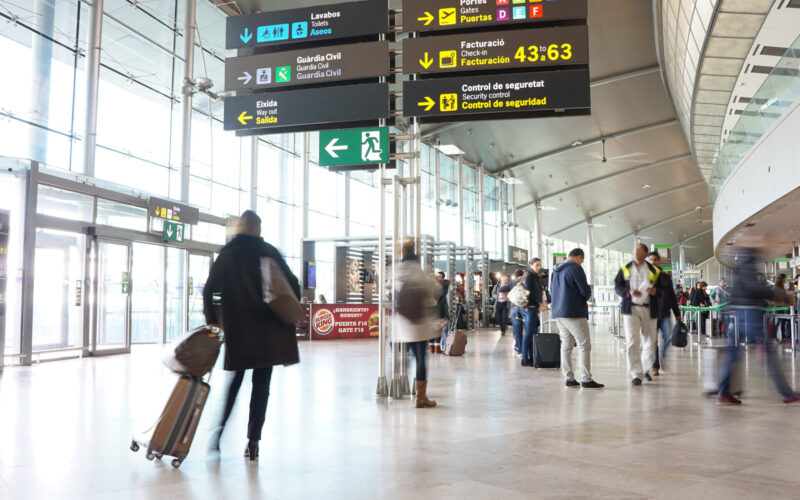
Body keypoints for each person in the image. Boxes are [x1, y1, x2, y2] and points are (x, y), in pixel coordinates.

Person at [203, 210, 300, 460]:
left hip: (239, 332)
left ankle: (218, 435)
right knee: (261, 387)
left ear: (240, 227)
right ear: (257, 228)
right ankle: (253, 442)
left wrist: (213, 320)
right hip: (268, 334)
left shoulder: (226, 255)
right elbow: (293, 284)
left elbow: (209, 291)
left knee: (233, 384)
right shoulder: (269, 251)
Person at [717, 248, 800, 405]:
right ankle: (787, 393)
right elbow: (752, 288)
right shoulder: (749, 266)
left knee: (732, 354)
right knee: (769, 353)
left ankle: (723, 393)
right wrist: (775, 294)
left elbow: (736, 293)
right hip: (750, 315)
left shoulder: (737, 269)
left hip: (737, 316)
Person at [392, 239, 441, 408]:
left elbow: (390, 290)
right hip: (418, 323)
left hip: (401, 323)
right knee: (420, 358)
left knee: (402, 357)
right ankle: (421, 397)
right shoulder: (418, 271)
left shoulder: (396, 270)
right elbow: (435, 291)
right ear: (414, 251)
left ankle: (397, 386)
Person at [550, 248, 603, 389]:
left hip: (558, 312)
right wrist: (588, 291)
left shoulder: (556, 270)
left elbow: (551, 291)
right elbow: (585, 292)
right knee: (584, 345)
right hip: (573, 312)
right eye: (582, 260)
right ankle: (586, 379)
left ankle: (569, 378)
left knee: (566, 345)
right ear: (579, 257)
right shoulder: (576, 268)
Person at [614, 243, 662, 386]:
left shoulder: (654, 270)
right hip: (631, 308)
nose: (636, 251)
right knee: (632, 341)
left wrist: (655, 292)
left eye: (639, 250)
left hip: (649, 308)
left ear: (645, 253)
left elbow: (664, 289)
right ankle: (636, 373)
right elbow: (617, 286)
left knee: (650, 341)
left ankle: (645, 368)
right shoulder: (625, 268)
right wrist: (627, 292)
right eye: (635, 249)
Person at [646, 252, 681, 376]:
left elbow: (672, 295)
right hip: (651, 313)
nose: (652, 262)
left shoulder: (665, 277)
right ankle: (655, 366)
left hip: (665, 312)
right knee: (653, 341)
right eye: (650, 260)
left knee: (667, 338)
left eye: (655, 260)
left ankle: (663, 358)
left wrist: (677, 313)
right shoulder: (646, 276)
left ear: (659, 261)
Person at [520, 258, 544, 367]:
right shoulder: (529, 276)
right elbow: (531, 293)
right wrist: (540, 303)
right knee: (529, 332)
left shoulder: (533, 276)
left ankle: (530, 356)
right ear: (530, 265)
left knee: (533, 331)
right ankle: (524, 357)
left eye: (540, 265)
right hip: (529, 307)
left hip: (532, 307)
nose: (539, 267)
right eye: (536, 265)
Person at [433, 271, 450, 353]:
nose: (437, 279)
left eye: (439, 277)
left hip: (442, 312)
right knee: (435, 329)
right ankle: (435, 348)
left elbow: (442, 292)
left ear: (443, 278)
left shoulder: (445, 284)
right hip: (434, 312)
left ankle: (443, 347)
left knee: (443, 330)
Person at [510, 269, 525, 354]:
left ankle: (519, 349)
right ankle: (526, 349)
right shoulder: (523, 281)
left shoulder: (512, 283)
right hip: (524, 307)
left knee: (517, 330)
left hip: (514, 307)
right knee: (528, 329)